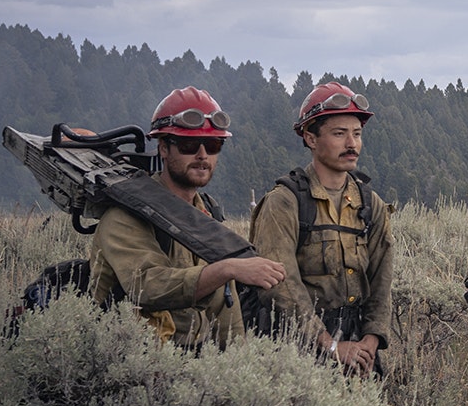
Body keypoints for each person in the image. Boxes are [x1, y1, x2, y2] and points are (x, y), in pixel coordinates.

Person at [90, 87, 286, 349]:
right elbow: (147, 287)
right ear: (163, 149)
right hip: (131, 361)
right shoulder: (126, 215)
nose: (202, 155)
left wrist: (239, 360)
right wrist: (227, 268)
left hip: (192, 359)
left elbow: (222, 298)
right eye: (189, 145)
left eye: (213, 145)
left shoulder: (204, 214)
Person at [248, 81, 394, 376]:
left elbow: (382, 279)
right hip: (295, 348)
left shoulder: (370, 203)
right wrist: (327, 344)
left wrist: (372, 339)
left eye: (357, 134)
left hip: (357, 346)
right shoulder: (285, 203)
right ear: (310, 138)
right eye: (339, 134)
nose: (351, 144)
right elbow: (281, 284)